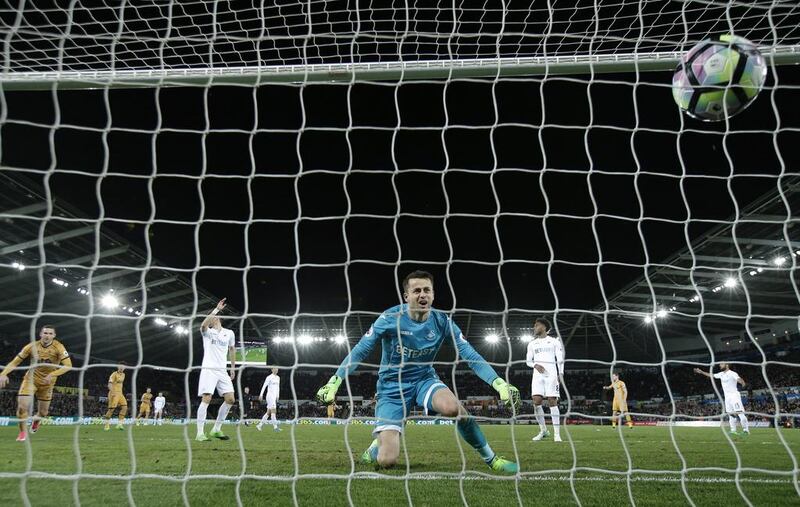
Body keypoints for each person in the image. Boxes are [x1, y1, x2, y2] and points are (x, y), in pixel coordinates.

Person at [316, 270, 521, 473]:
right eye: (416, 291)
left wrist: (498, 383)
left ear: (432, 294)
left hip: (424, 380)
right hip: (391, 388)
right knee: (387, 461)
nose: (422, 295)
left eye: (427, 290)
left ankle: (492, 459)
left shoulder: (442, 322)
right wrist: (335, 381)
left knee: (452, 408)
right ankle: (376, 446)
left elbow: (470, 354)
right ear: (406, 296)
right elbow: (361, 349)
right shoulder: (390, 317)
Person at [0, 325, 72, 442]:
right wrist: (3, 373)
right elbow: (15, 362)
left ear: (54, 335)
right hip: (31, 380)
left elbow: (68, 366)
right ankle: (22, 433)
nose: (47, 335)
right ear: (40, 334)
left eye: (50, 333)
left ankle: (36, 421)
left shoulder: (59, 347)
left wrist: (52, 374)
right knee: (22, 407)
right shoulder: (31, 346)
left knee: (43, 413)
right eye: (45, 333)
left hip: (48, 383)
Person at [196, 298, 236, 442]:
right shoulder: (208, 333)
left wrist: (232, 367)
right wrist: (216, 309)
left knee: (230, 399)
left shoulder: (229, 333)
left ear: (217, 319)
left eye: (213, 317)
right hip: (209, 369)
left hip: (222, 370)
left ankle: (216, 430)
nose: (211, 319)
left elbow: (232, 349)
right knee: (207, 398)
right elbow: (202, 325)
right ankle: (200, 433)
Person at [525, 317, 565, 442]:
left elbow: (560, 358)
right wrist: (535, 365)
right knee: (536, 402)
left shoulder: (554, 341)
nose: (534, 327)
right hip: (537, 376)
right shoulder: (532, 343)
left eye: (537, 325)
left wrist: (561, 373)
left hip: (551, 375)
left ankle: (557, 434)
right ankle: (543, 431)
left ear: (544, 327)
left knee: (552, 401)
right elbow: (528, 361)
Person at [694, 362, 749, 436]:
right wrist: (701, 372)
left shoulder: (732, 373)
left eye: (721, 364)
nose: (720, 365)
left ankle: (746, 431)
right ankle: (733, 430)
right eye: (720, 364)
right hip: (727, 398)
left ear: (727, 365)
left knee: (740, 413)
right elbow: (712, 375)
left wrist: (742, 382)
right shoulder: (721, 374)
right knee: (731, 415)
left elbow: (738, 379)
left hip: (734, 396)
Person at [105, 362, 128, 431]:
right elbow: (109, 384)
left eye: (123, 366)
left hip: (120, 394)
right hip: (114, 393)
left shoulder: (123, 374)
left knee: (125, 407)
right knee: (111, 410)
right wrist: (112, 392)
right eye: (120, 366)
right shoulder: (114, 374)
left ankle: (119, 424)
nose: (122, 367)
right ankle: (106, 425)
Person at [257, 367, 281, 432]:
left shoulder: (278, 378)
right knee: (274, 411)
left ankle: (259, 425)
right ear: (272, 370)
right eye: (275, 368)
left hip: (274, 397)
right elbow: (264, 386)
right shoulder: (269, 377)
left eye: (277, 369)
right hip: (269, 396)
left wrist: (277, 396)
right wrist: (261, 395)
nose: (276, 370)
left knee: (268, 412)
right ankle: (275, 427)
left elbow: (278, 387)